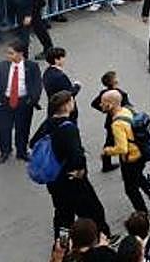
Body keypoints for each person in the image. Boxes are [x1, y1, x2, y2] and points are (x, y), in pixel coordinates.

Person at [31, 90, 110, 239]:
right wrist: (79, 171)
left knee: (62, 216)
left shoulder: (48, 123)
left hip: (54, 181)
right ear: (67, 105)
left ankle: (61, 245)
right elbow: (76, 156)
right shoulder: (68, 128)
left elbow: (33, 143)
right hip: (72, 181)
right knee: (94, 212)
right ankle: (102, 239)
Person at [98, 89, 150, 215]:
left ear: (110, 104)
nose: (100, 105)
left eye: (103, 102)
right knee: (139, 178)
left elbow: (122, 148)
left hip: (131, 159)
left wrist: (107, 151)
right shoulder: (126, 110)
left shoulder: (116, 124)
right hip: (141, 152)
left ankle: (142, 214)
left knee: (131, 189)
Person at [0, 40, 43, 163]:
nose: (8, 56)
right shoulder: (1, 66)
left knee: (22, 128)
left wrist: (32, 100)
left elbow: (37, 85)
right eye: (7, 53)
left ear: (20, 54)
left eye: (11, 53)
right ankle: (5, 151)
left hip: (23, 103)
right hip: (4, 103)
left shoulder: (32, 66)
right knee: (3, 129)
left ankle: (21, 151)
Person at [41, 47, 81, 121]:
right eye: (62, 57)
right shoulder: (60, 77)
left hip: (53, 108)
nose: (64, 60)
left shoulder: (47, 73)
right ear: (56, 60)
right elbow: (68, 93)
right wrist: (77, 86)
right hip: (64, 110)